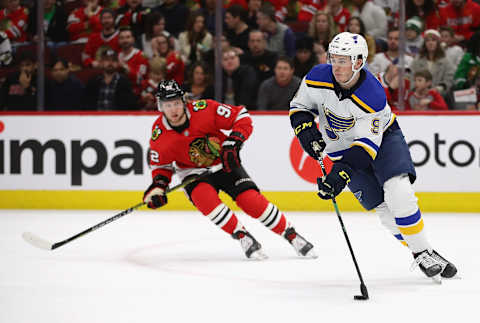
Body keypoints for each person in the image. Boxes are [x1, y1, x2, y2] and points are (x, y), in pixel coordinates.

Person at [289, 31, 457, 281]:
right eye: (334, 58)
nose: (337, 65)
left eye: (343, 60)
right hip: (340, 148)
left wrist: (341, 173)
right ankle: (422, 251)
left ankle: (421, 251)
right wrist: (305, 131)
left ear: (358, 62)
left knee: (398, 191)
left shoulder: (373, 94)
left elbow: (366, 147)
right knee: (382, 208)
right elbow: (299, 107)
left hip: (383, 140)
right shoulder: (316, 77)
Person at [143, 79, 317, 260]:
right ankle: (243, 236)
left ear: (184, 101)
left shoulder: (204, 109)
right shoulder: (159, 135)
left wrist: (234, 142)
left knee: (251, 201)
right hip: (192, 173)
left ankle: (291, 235)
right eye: (168, 105)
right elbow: (161, 167)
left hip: (223, 161)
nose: (173, 109)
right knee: (205, 199)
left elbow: (241, 116)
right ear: (160, 106)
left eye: (176, 103)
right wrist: (158, 187)